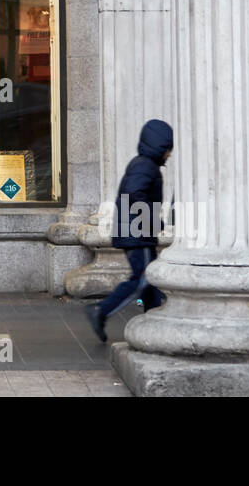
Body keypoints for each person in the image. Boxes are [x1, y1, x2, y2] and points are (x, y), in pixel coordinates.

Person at [85, 118, 173, 342]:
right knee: (142, 280)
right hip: (137, 234)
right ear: (160, 147)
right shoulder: (145, 166)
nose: (170, 155)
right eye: (168, 149)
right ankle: (101, 310)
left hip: (136, 232)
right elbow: (135, 194)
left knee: (149, 280)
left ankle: (153, 323)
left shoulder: (142, 164)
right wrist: (151, 221)